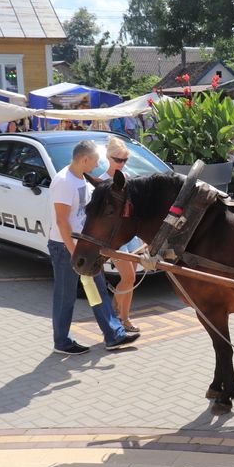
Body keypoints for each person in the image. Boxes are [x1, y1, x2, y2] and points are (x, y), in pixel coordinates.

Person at [49, 140, 140, 354]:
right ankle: (61, 342)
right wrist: (74, 254)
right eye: (96, 160)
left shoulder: (83, 179)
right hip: (66, 248)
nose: (98, 164)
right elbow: (62, 222)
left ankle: (113, 335)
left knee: (98, 291)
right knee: (65, 296)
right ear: (84, 159)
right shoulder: (64, 181)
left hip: (86, 247)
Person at [102, 137, 142, 333]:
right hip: (113, 238)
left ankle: (124, 317)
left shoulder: (126, 176)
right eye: (118, 159)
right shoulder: (102, 181)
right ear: (108, 157)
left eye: (125, 160)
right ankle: (114, 313)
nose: (121, 163)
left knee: (131, 279)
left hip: (130, 234)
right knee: (128, 276)